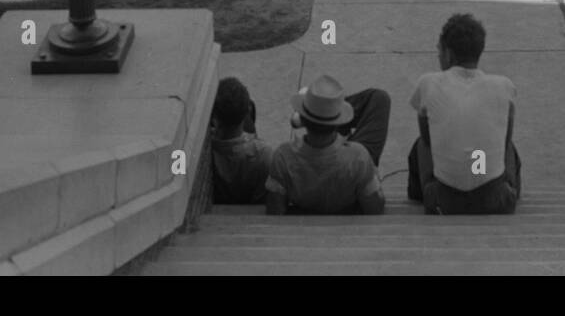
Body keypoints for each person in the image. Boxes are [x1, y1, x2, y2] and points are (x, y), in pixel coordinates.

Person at [407, 13, 521, 214]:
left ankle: (419, 192)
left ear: (449, 54)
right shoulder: (504, 86)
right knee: (507, 143)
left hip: (442, 201)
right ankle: (509, 188)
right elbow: (505, 142)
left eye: (439, 51)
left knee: (420, 143)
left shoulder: (428, 83)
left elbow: (428, 139)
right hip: (497, 200)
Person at [265, 75, 390, 215]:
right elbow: (375, 208)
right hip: (351, 164)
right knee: (380, 98)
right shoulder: (360, 157)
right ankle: (329, 110)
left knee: (379, 98)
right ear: (339, 123)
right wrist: (373, 174)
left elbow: (275, 210)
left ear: (304, 121)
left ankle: (317, 108)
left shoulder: (282, 157)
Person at [209, 77, 273, 205]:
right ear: (247, 111)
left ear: (214, 117)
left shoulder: (205, 151)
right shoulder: (264, 154)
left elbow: (177, 164)